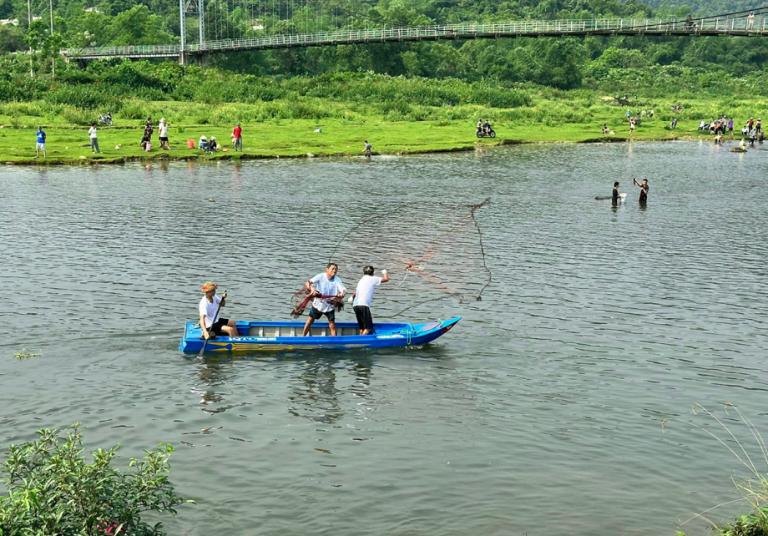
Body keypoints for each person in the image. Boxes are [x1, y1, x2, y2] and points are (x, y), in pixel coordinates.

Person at [302, 263, 346, 336]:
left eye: (336, 269)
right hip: (318, 304)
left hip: (330, 305)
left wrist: (341, 294)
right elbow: (307, 283)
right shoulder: (320, 276)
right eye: (333, 269)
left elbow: (343, 290)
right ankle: (303, 337)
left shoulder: (337, 280)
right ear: (327, 270)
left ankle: (334, 341)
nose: (334, 271)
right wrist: (312, 289)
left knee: (332, 325)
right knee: (310, 320)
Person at [352, 266, 390, 335]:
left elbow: (354, 293)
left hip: (355, 305)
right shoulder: (373, 278)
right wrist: (385, 272)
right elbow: (386, 279)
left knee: (362, 327)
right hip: (363, 305)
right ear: (373, 273)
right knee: (368, 328)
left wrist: (352, 298)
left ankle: (360, 337)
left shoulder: (361, 280)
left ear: (364, 273)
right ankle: (361, 341)